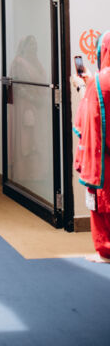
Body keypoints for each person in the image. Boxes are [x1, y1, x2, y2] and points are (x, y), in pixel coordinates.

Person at [74, 30, 110, 263]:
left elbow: (89, 117)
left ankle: (106, 251)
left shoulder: (99, 80)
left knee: (102, 201)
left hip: (104, 158)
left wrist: (82, 87)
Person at [8, 35, 49, 183]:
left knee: (38, 138)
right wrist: (33, 99)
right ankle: (24, 173)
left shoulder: (37, 63)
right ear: (23, 46)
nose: (34, 47)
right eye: (30, 44)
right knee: (27, 138)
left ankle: (38, 173)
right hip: (25, 106)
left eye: (35, 44)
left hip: (39, 106)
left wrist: (41, 100)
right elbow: (18, 87)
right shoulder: (18, 63)